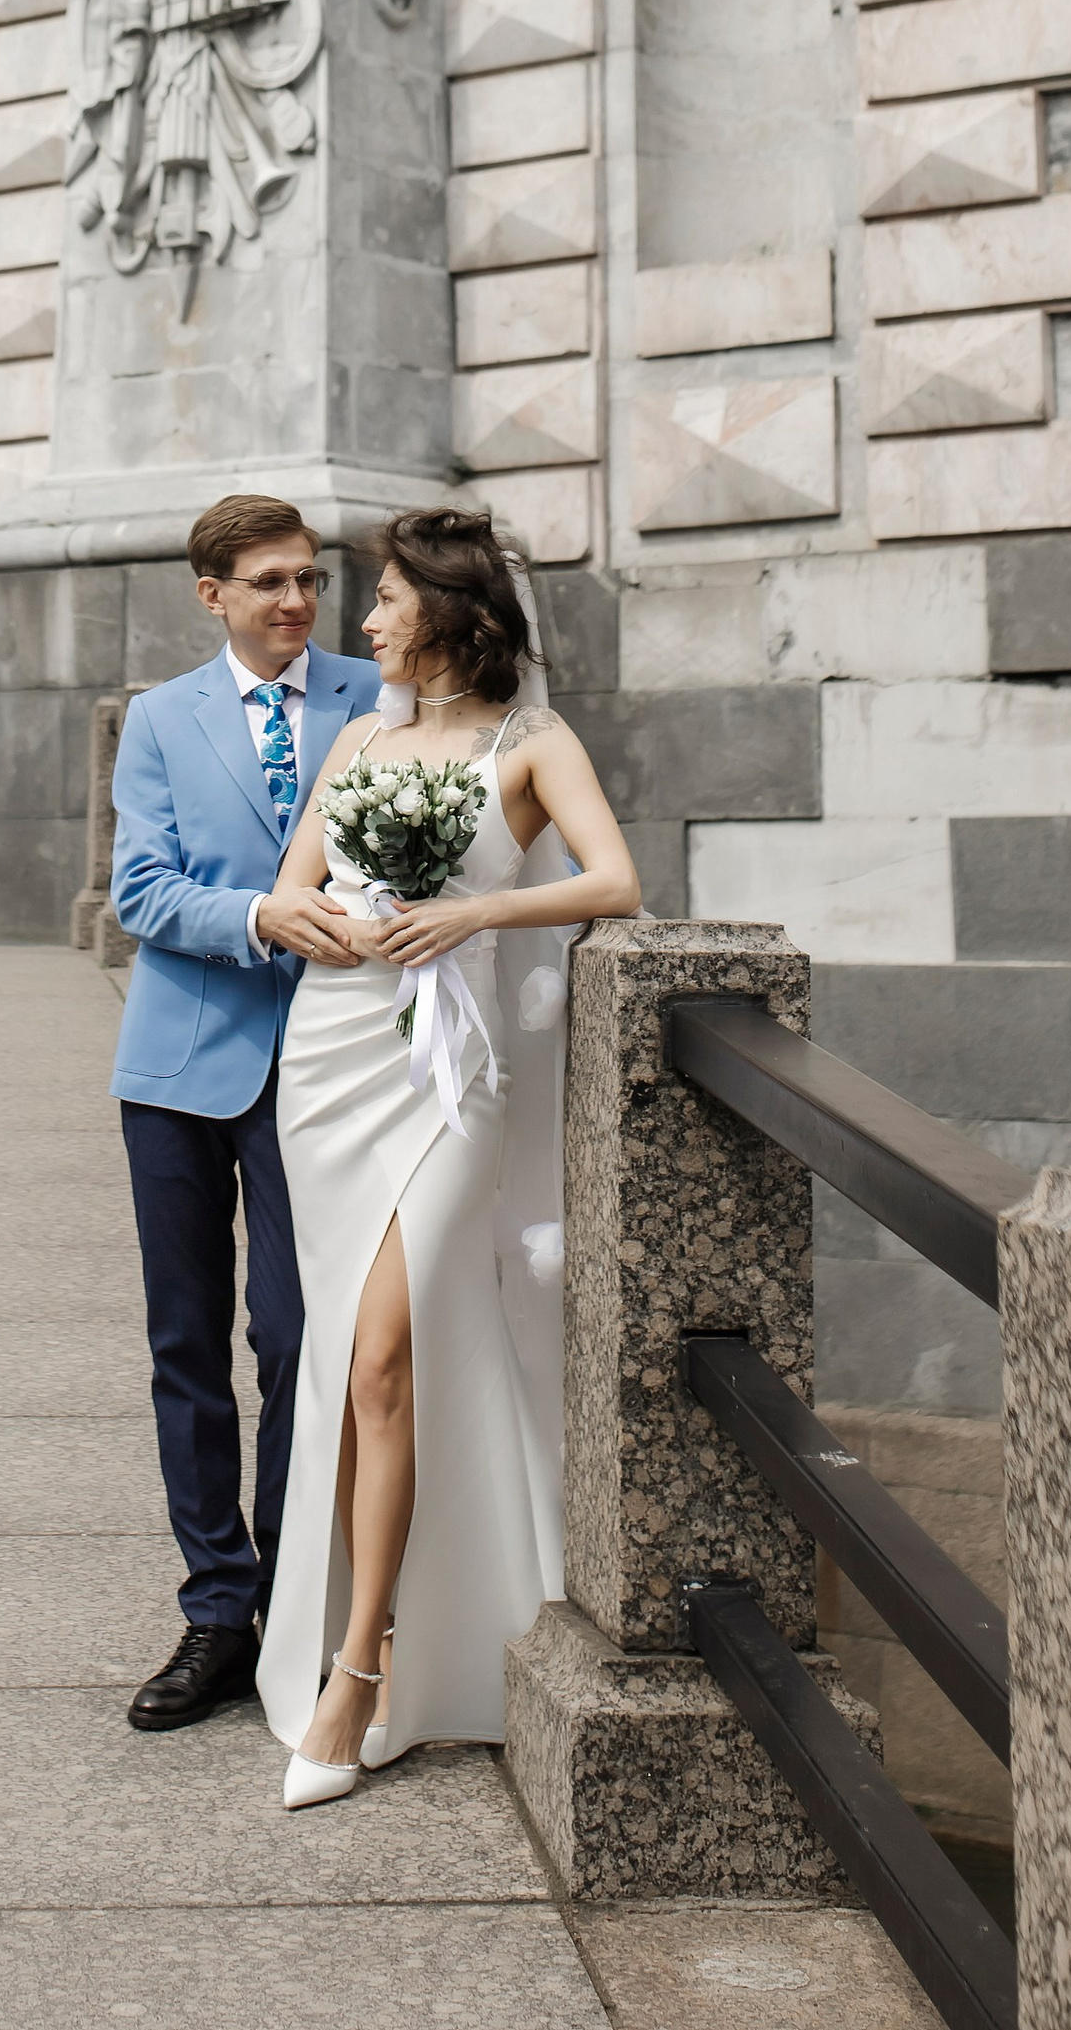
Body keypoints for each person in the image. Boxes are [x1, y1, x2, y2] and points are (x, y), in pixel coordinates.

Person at [255, 505, 641, 1806]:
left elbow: (613, 881)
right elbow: (294, 884)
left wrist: (478, 911)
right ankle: (360, 1643)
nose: (363, 619)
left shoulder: (533, 741)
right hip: (330, 1060)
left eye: (384, 597)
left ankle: (360, 1670)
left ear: (449, 607)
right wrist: (320, 920)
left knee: (384, 1350)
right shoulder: (360, 738)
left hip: (448, 1070)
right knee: (353, 1368)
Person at [107, 495, 381, 1731]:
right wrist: (260, 914)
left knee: (293, 1333)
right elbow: (140, 890)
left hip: (323, 1069)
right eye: (269, 581)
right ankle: (217, 1612)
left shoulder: (374, 701)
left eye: (309, 579)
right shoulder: (163, 718)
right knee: (188, 1343)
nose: (295, 601)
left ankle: (290, 1596)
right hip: (176, 1070)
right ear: (211, 594)